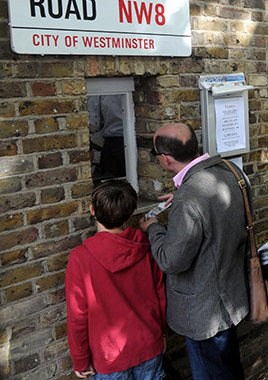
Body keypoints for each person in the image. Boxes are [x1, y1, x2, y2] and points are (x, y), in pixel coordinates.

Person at [139, 123, 248, 379]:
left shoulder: (189, 197)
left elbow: (171, 260)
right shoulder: (231, 172)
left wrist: (153, 228)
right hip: (230, 297)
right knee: (229, 369)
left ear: (165, 159)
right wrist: (181, 197)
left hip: (204, 311)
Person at [66, 180, 166, 379]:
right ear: (130, 214)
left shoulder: (81, 258)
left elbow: (77, 316)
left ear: (92, 210)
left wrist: (80, 359)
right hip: (148, 344)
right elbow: (161, 295)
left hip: (110, 356)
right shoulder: (145, 246)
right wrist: (161, 334)